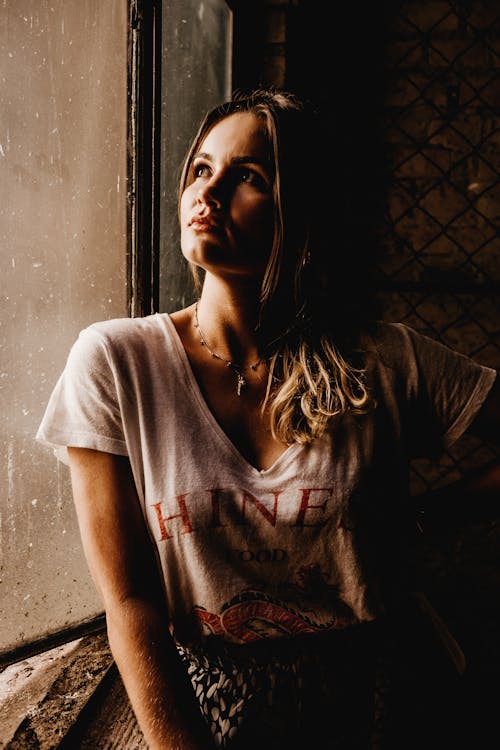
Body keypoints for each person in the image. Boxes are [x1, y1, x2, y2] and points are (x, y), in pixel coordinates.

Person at [36, 87, 499, 749]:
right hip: (211, 700)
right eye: (201, 169)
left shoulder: (385, 360)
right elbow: (131, 600)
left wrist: (431, 514)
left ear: (301, 208)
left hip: (386, 692)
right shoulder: (116, 361)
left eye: (248, 176)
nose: (210, 190)